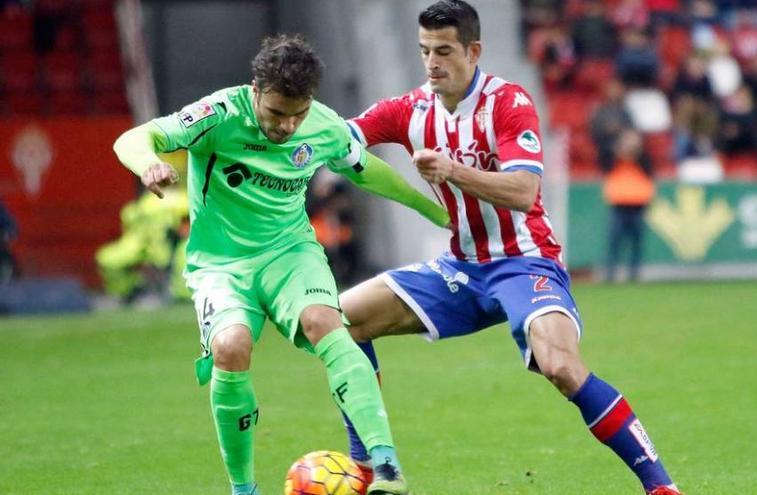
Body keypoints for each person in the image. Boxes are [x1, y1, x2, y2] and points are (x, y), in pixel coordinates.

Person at [340, 2, 681, 494]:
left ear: (473, 51)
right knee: (343, 321)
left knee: (561, 366)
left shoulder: (508, 102)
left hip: (525, 261)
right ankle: (368, 467)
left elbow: (523, 190)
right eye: (424, 51)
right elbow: (340, 134)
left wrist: (453, 170)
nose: (432, 63)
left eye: (443, 51)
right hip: (460, 267)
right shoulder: (410, 109)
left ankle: (660, 486)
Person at [112, 34, 450, 495]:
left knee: (326, 323)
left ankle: (387, 467)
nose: (288, 126)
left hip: (290, 255)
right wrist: (148, 163)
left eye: (298, 114)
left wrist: (430, 208)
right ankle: (243, 489)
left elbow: (365, 168)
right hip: (222, 266)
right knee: (231, 347)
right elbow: (136, 136)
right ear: (256, 90)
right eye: (276, 113)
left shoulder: (324, 124)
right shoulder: (219, 114)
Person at [602, 129, 655, 283]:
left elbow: (649, 170)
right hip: (618, 204)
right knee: (615, 243)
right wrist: (620, 152)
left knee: (636, 243)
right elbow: (605, 164)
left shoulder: (643, 158)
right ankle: (610, 275)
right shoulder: (614, 158)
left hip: (638, 204)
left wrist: (636, 154)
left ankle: (634, 274)